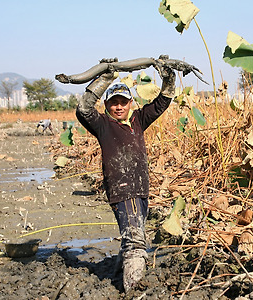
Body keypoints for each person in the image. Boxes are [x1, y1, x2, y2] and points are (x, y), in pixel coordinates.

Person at [75, 62, 175, 292]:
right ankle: (134, 288)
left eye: (123, 102)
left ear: (130, 103)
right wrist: (104, 79)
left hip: (141, 189)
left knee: (134, 231)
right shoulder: (102, 124)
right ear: (107, 105)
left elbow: (162, 102)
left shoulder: (139, 119)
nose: (119, 107)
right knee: (135, 239)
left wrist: (168, 76)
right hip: (122, 190)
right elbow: (84, 108)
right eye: (114, 103)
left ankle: (118, 271)